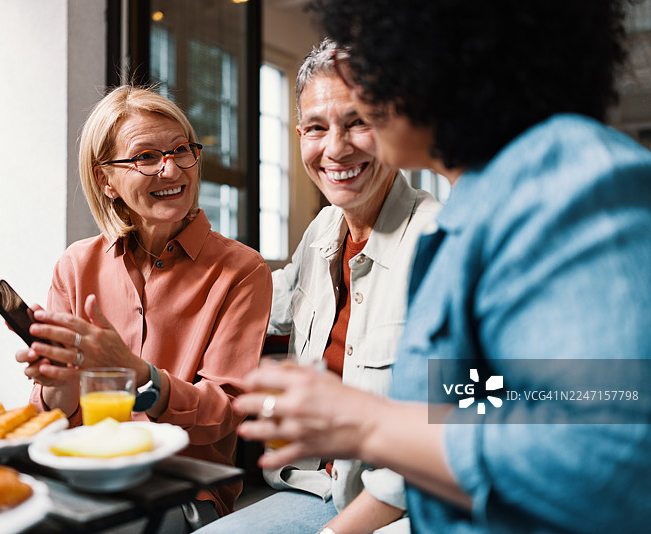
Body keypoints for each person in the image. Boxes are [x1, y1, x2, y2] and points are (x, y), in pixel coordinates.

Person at [233, 1, 651, 533]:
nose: (362, 87)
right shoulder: (473, 213)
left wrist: (366, 422)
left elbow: (610, 453)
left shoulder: (570, 183)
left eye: (374, 62)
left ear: (435, 57)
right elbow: (476, 411)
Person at [196, 39, 440, 534]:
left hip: (404, 510)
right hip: (318, 489)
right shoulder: (323, 233)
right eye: (316, 128)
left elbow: (447, 436)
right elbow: (257, 300)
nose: (335, 148)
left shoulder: (439, 243)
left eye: (357, 123)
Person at [16, 85, 273, 530]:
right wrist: (58, 382)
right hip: (84, 477)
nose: (171, 168)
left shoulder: (241, 270)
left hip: (184, 489)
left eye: (181, 150)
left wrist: (141, 376)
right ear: (105, 180)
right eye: (146, 157)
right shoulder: (76, 265)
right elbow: (52, 418)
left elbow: (224, 412)